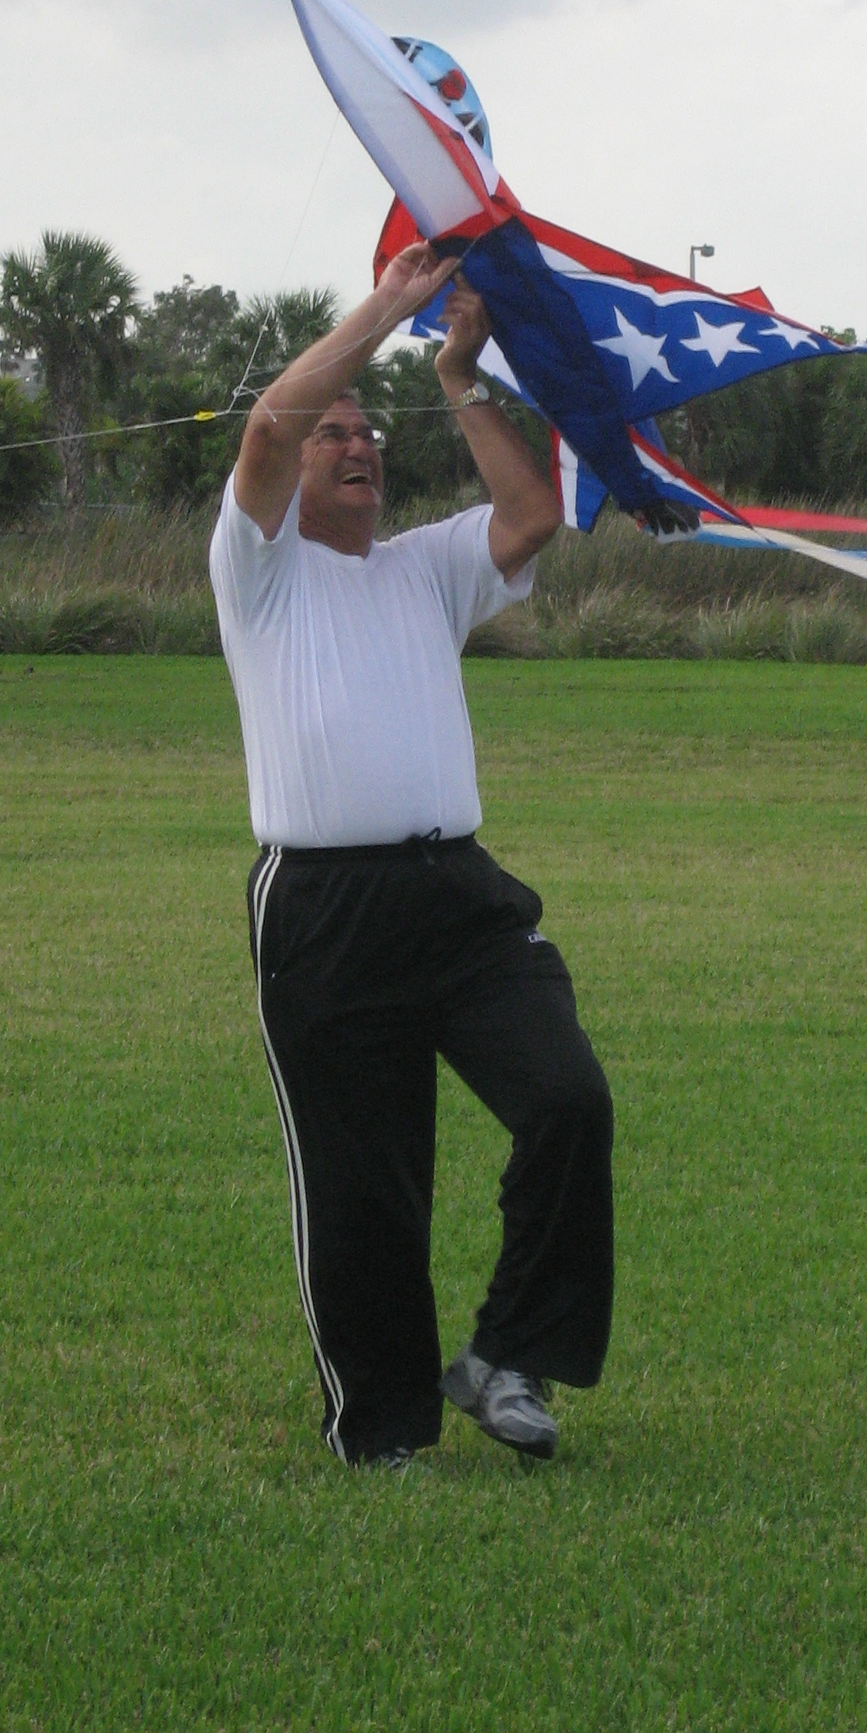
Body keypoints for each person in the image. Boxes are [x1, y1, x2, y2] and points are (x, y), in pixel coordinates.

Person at [209, 239, 615, 1470]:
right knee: (367, 1184)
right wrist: (382, 310)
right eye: (336, 432)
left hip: (461, 895)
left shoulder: (425, 569)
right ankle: (381, 1428)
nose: (353, 444)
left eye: (367, 432)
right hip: (324, 905)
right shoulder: (256, 571)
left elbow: (534, 511)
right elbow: (267, 430)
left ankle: (507, 1354)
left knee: (567, 1100)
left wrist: (455, 374)